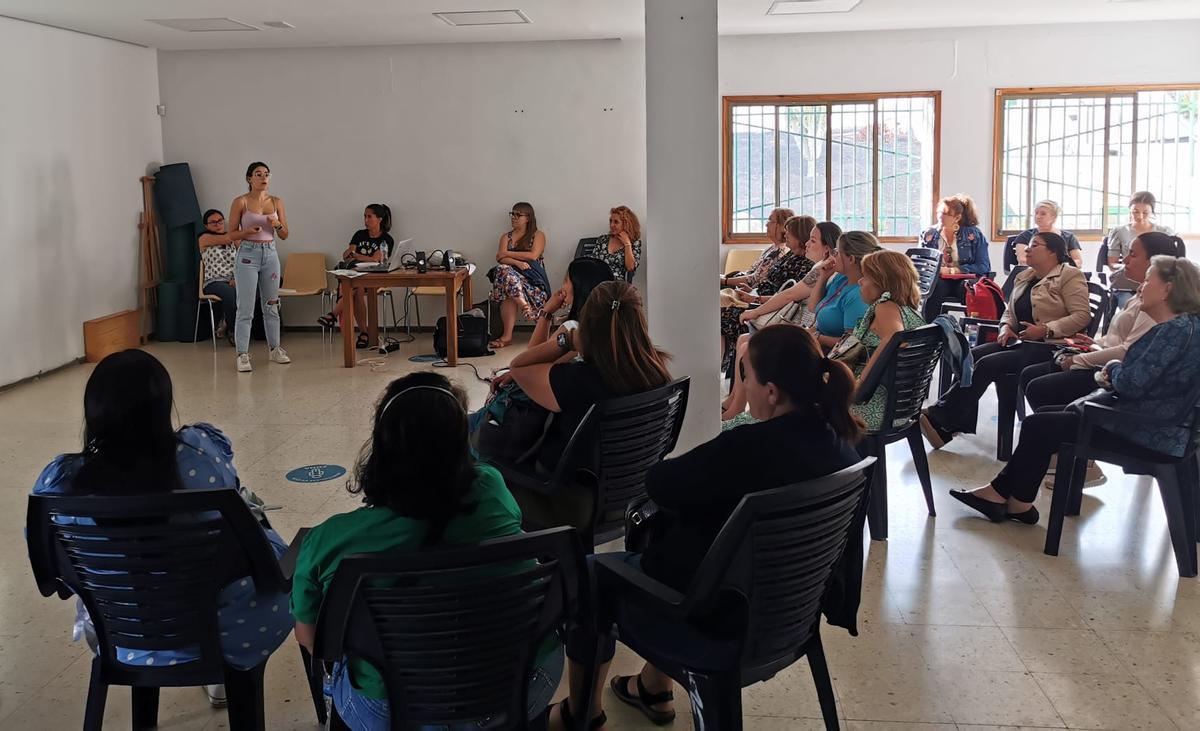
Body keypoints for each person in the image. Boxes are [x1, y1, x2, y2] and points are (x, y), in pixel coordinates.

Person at [547, 325, 863, 731]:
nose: (741, 387)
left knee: (592, 573)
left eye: (744, 376)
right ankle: (652, 687)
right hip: (789, 616)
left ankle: (581, 713)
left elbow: (659, 482)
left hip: (716, 629)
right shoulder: (842, 446)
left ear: (771, 391)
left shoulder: (748, 447)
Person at [291, 372, 564, 730]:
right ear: (461, 443)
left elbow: (313, 641)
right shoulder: (493, 490)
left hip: (395, 710)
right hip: (523, 685)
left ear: (382, 447)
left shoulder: (330, 542)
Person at [30, 350, 293, 708]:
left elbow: (50, 570)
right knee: (252, 514)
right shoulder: (199, 453)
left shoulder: (59, 482)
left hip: (120, 636)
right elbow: (234, 498)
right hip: (230, 633)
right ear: (163, 406)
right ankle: (224, 678)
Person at [949, 257, 1200, 525]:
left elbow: (1132, 383)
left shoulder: (1173, 333)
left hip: (1143, 430)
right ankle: (1010, 500)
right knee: (1045, 416)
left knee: (1039, 424)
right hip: (1156, 424)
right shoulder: (1187, 328)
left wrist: (1112, 368)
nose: (1141, 287)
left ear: (1168, 290)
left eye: (1149, 280)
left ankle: (1013, 501)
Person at [490, 281, 672, 529]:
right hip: (634, 494)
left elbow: (519, 367)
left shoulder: (577, 380)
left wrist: (568, 340)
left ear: (587, 325)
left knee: (479, 455)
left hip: (568, 502)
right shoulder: (657, 373)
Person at [1018, 232, 1188, 487]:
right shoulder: (1142, 296)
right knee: (1036, 378)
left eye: (1133, 254)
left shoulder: (1159, 310)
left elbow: (1128, 355)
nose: (1124, 259)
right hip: (1112, 372)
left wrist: (1080, 362)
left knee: (1041, 386)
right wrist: (1093, 346)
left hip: (1120, 388)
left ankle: (1075, 459)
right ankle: (1054, 457)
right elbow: (1120, 344)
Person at [921, 231, 1091, 448]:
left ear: (1053, 253)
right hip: (1021, 342)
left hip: (1050, 347)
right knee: (971, 357)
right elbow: (1009, 311)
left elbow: (1081, 316)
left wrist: (1046, 329)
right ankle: (950, 424)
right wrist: (1006, 327)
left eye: (1035, 245)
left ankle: (940, 417)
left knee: (988, 364)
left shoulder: (1069, 275)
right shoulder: (1025, 276)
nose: (1027, 249)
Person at [721, 221, 842, 421]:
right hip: (803, 328)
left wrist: (755, 310)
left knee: (746, 347)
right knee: (743, 340)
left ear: (827, 249)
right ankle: (733, 403)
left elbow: (788, 295)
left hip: (802, 331)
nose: (807, 245)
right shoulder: (821, 269)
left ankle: (736, 410)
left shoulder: (821, 269)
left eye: (812, 241)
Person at [843, 249, 928, 432]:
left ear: (882, 282)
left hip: (870, 408)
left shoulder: (885, 306)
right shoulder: (906, 309)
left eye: (865, 277)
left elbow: (895, 339)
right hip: (900, 408)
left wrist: (860, 385)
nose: (860, 281)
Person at [720, 215, 816, 372]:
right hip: (759, 301)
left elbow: (789, 297)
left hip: (773, 312)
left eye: (789, 234)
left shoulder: (807, 263)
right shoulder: (791, 255)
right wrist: (752, 292)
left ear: (799, 236)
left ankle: (718, 370)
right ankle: (724, 373)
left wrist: (756, 299)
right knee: (720, 313)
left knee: (720, 317)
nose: (786, 237)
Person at [229, 161, 290, 373]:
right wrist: (246, 233)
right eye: (258, 174)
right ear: (249, 178)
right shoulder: (241, 202)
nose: (263, 178)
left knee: (271, 305)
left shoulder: (276, 201)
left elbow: (284, 234)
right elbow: (231, 233)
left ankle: (275, 349)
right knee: (245, 308)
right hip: (247, 254)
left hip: (270, 254)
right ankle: (242, 354)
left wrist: (277, 225)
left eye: (266, 174)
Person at [318, 204, 395, 348]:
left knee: (352, 287)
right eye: (364, 216)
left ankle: (333, 315)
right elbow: (349, 256)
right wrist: (352, 255)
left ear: (379, 219)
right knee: (356, 288)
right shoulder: (359, 234)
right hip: (355, 275)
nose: (365, 220)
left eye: (369, 216)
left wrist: (357, 255)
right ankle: (364, 333)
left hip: (374, 278)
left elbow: (376, 259)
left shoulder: (386, 240)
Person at [488, 202, 551, 349]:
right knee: (503, 270)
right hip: (511, 281)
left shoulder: (537, 235)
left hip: (533, 281)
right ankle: (523, 309)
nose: (514, 218)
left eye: (518, 215)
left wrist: (508, 253)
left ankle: (508, 334)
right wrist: (516, 262)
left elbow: (533, 255)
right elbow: (500, 258)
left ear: (528, 218)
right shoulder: (506, 237)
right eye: (513, 214)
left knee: (506, 282)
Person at [804, 230, 880, 350]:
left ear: (851, 259)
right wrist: (823, 277)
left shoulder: (859, 294)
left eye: (837, 252)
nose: (832, 256)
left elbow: (851, 344)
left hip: (833, 358)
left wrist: (817, 338)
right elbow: (812, 307)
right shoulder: (842, 278)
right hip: (817, 345)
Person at [919, 194, 991, 318]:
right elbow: (921, 263)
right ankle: (931, 329)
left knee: (967, 287)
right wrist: (935, 270)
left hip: (965, 278)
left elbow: (983, 266)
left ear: (957, 217)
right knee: (936, 287)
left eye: (945, 213)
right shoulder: (928, 234)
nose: (940, 216)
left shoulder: (974, 235)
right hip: (939, 279)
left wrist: (956, 270)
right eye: (939, 212)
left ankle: (970, 329)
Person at [198, 208, 261, 345]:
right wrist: (244, 231)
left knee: (258, 286)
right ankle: (234, 330)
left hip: (234, 279)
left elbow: (243, 260)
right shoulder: (204, 238)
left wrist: (237, 279)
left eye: (220, 221)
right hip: (214, 281)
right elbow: (226, 238)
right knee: (230, 294)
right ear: (206, 226)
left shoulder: (235, 240)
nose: (218, 224)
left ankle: (227, 321)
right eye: (213, 222)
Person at [527, 257, 614, 350]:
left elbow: (531, 356)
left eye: (565, 281)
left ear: (578, 288)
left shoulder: (572, 328)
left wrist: (547, 312)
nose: (562, 286)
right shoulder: (614, 323)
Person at [1107, 191, 1175, 301]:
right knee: (1128, 304)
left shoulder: (1164, 232)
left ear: (1152, 211)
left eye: (1145, 212)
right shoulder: (1119, 231)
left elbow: (1172, 262)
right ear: (1130, 210)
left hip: (1156, 283)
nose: (1140, 216)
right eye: (1135, 212)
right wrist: (1128, 267)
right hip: (1128, 284)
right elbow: (1112, 264)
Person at [720, 207, 794, 290]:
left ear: (781, 225)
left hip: (744, 289)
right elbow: (751, 274)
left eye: (770, 221)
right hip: (739, 281)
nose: (766, 224)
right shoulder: (773, 248)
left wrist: (724, 281)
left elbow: (752, 281)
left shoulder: (780, 252)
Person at [1012, 199, 1083, 267]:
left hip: (1062, 275)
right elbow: (1023, 260)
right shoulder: (1025, 236)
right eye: (1036, 213)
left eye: (1043, 214)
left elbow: (1078, 261)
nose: (1038, 216)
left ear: (1054, 217)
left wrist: (1061, 268)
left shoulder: (1068, 237)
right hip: (1033, 275)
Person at [583, 206, 643, 282]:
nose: (611, 225)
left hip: (616, 285)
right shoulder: (602, 240)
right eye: (610, 221)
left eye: (616, 222)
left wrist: (627, 244)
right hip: (597, 280)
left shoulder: (634, 243)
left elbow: (630, 267)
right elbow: (594, 262)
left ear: (626, 224)